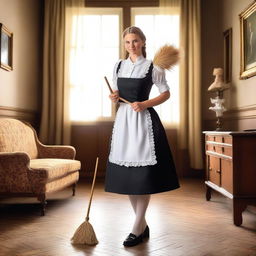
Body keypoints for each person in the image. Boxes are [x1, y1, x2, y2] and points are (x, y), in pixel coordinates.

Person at [105, 26, 180, 247]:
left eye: (135, 41)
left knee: (143, 175)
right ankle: (142, 224)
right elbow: (117, 96)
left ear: (143, 42)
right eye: (128, 42)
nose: (132, 46)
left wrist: (145, 104)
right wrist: (114, 97)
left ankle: (137, 227)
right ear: (124, 44)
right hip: (123, 122)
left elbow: (165, 92)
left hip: (144, 122)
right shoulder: (118, 65)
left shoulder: (153, 66)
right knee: (130, 176)